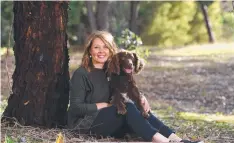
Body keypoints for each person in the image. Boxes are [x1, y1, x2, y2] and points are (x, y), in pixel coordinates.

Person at [67, 31, 203, 143]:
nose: (101, 51)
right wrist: (102, 105)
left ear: (110, 49)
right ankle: (164, 142)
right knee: (128, 107)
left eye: (105, 47)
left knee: (137, 106)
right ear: (90, 50)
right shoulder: (82, 73)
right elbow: (75, 108)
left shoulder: (113, 70)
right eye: (96, 47)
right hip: (86, 125)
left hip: (109, 120)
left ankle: (178, 140)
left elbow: (126, 89)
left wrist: (141, 97)